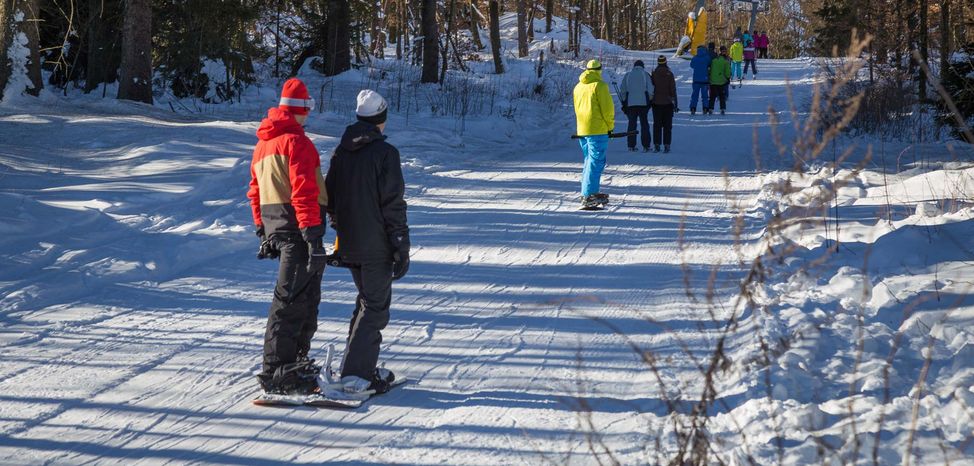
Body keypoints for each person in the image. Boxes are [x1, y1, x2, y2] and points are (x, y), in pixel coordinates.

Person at [248, 77, 329, 396]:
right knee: (291, 301)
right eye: (308, 107)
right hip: (299, 231)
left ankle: (295, 361)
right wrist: (312, 234)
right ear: (301, 109)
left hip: (278, 229)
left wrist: (262, 229)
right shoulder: (298, 144)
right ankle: (276, 369)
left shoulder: (263, 144)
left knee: (304, 298)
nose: (309, 114)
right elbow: (304, 193)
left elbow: (254, 192)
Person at [324, 90, 408, 395]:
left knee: (366, 300)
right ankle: (356, 374)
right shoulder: (386, 155)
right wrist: (400, 244)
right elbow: (393, 204)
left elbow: (329, 197)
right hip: (377, 246)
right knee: (375, 306)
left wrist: (340, 227)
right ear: (381, 120)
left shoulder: (341, 152)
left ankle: (355, 366)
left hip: (349, 243)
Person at [572, 59, 614, 207]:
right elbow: (607, 110)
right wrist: (610, 126)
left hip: (582, 130)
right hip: (597, 130)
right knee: (596, 162)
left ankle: (586, 192)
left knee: (588, 161)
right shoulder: (600, 86)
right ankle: (589, 195)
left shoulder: (578, 87)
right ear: (599, 70)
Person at [620, 60, 654, 152]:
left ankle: (631, 145)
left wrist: (624, 102)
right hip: (643, 104)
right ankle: (646, 146)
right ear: (642, 66)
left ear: (634, 66)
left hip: (631, 104)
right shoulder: (645, 74)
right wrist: (650, 100)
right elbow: (651, 89)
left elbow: (622, 90)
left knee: (631, 124)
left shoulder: (628, 75)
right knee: (644, 124)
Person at [651, 55, 677, 153]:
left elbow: (651, 88)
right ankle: (667, 145)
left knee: (656, 125)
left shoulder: (654, 74)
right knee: (667, 125)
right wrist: (675, 103)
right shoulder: (669, 74)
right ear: (666, 62)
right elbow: (673, 89)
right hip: (668, 103)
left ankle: (657, 144)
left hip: (656, 103)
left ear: (658, 62)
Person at [689, 44, 712, 115]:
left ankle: (693, 108)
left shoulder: (695, 58)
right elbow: (710, 65)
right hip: (705, 80)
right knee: (705, 96)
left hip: (696, 80)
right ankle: (705, 108)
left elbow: (691, 66)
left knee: (694, 95)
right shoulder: (707, 58)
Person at [708, 46, 731, 115]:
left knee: (712, 96)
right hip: (721, 82)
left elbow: (710, 70)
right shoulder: (725, 61)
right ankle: (722, 108)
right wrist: (728, 78)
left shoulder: (713, 61)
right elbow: (727, 72)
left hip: (713, 81)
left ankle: (710, 108)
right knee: (722, 96)